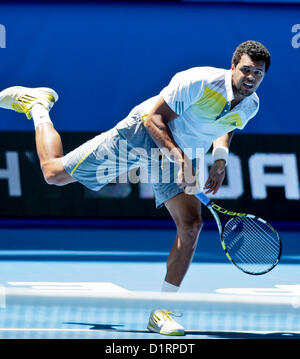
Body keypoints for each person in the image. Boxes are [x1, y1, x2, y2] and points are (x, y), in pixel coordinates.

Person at [0, 40, 270, 336]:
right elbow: (155, 118)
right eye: (245, 70)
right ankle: (38, 105)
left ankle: (161, 310)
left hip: (180, 151)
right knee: (54, 173)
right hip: (142, 134)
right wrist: (181, 160)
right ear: (232, 67)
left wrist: (219, 160)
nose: (251, 78)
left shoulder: (251, 104)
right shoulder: (199, 81)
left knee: (191, 225)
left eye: (258, 73)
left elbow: (226, 126)